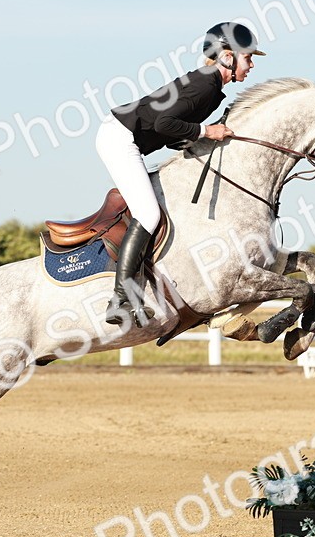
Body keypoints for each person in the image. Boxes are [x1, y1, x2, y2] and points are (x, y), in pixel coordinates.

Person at [97, 22, 265, 325]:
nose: (251, 65)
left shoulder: (211, 88)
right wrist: (207, 130)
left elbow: (173, 134)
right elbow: (163, 125)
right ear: (228, 56)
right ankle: (120, 299)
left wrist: (203, 138)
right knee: (148, 215)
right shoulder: (205, 85)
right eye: (248, 58)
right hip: (120, 138)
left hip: (125, 136)